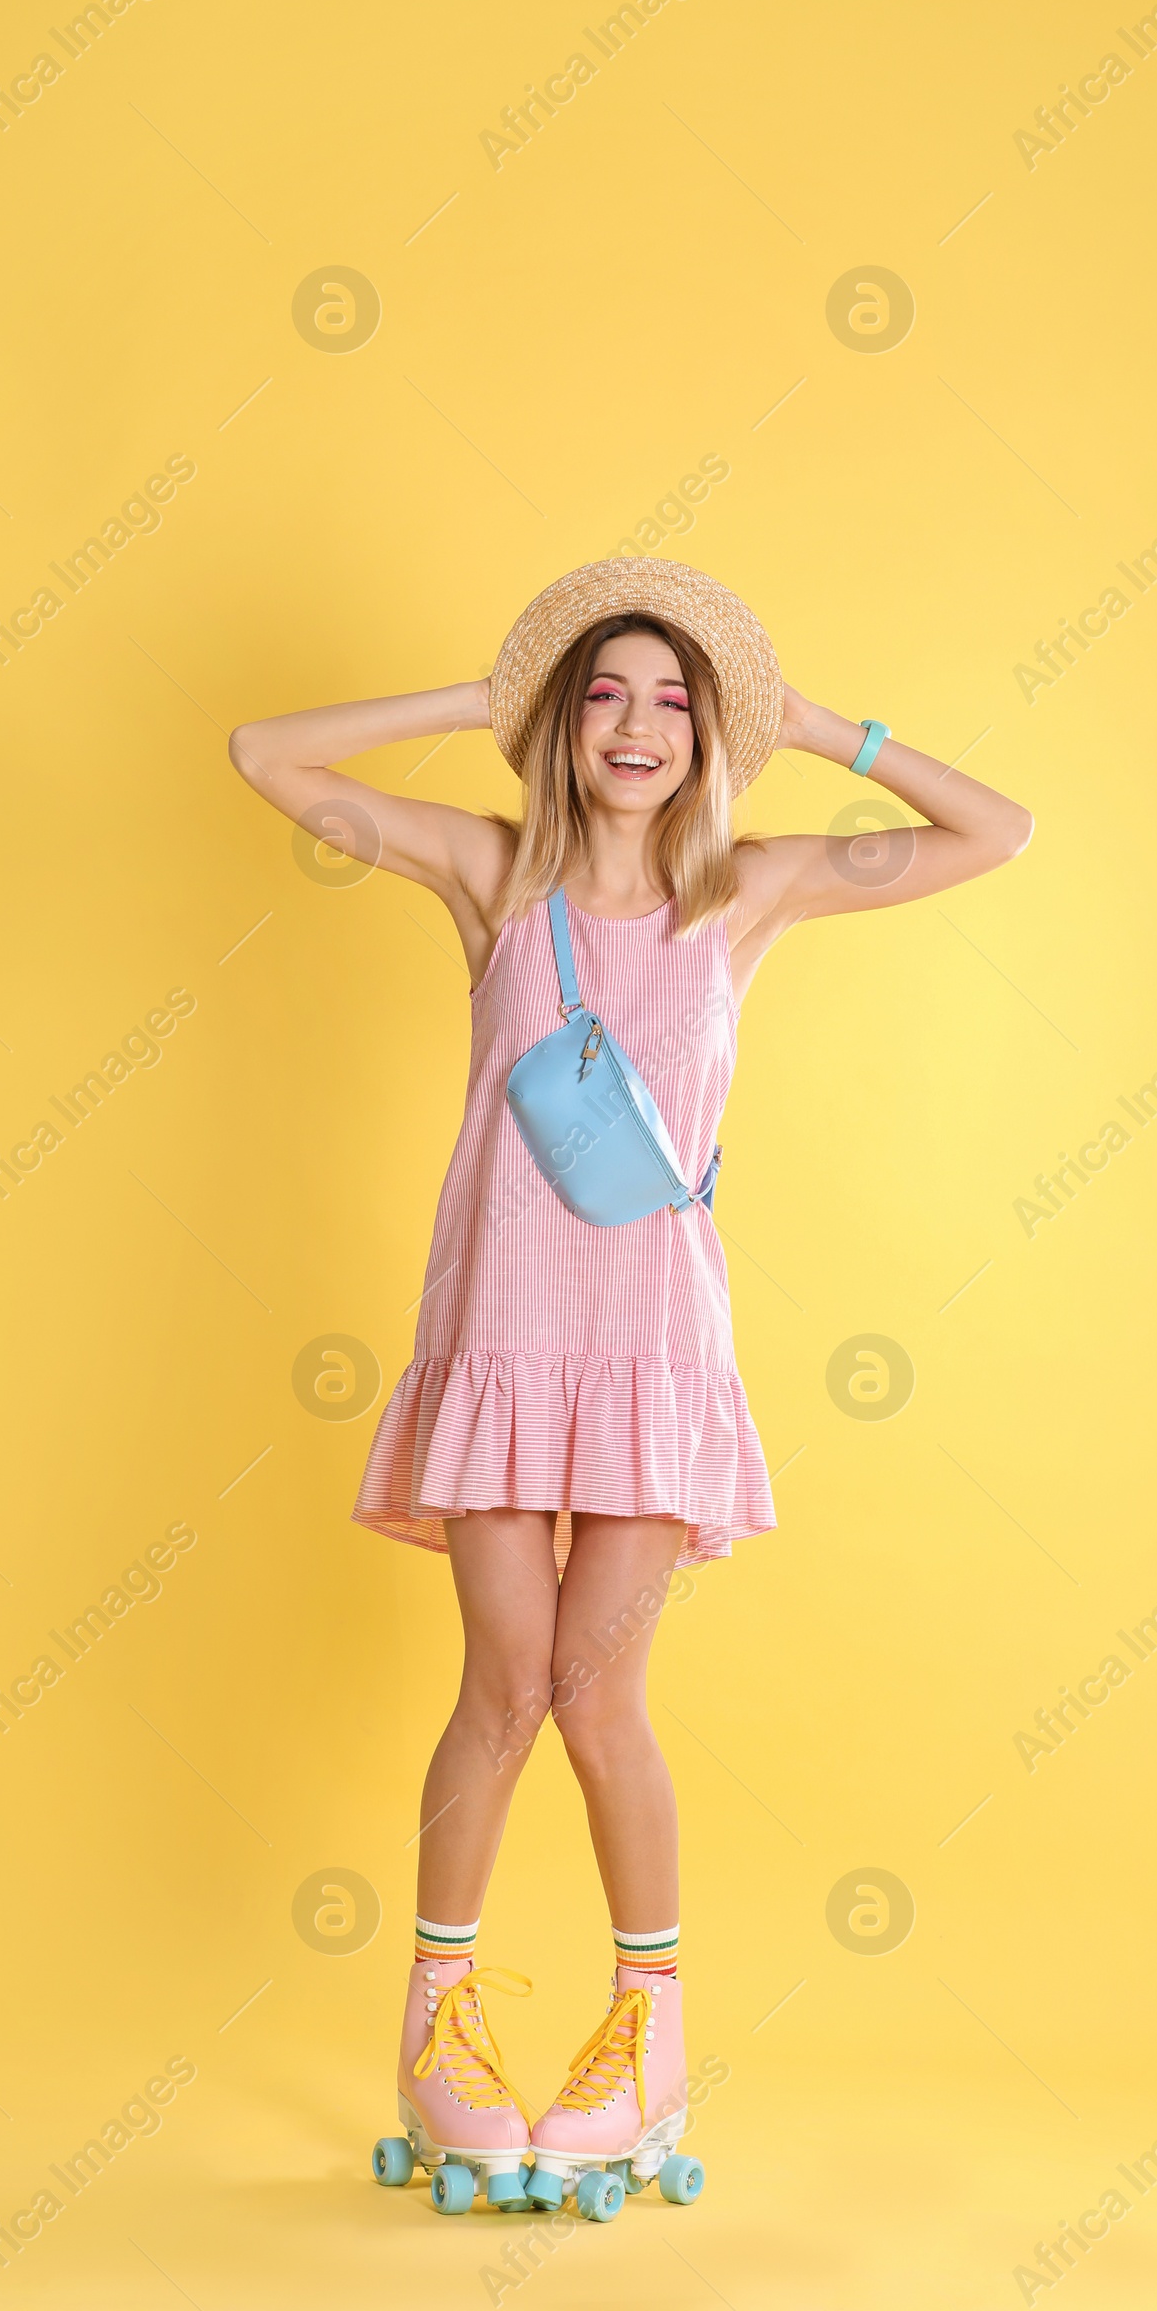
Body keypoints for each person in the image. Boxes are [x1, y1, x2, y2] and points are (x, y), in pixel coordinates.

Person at [228, 560, 1032, 2215]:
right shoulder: (492, 876)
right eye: (605, 692)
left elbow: (996, 831)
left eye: (676, 698)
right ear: (565, 725)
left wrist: (815, 725)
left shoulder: (746, 893)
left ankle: (645, 2036)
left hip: (654, 1358)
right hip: (505, 1342)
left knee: (600, 1701)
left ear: (708, 730)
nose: (640, 724)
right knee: (504, 1690)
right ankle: (442, 2031)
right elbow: (266, 755)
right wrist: (478, 699)